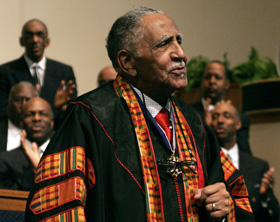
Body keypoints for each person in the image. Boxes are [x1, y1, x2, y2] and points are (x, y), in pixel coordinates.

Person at [25, 7, 254, 221]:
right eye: (165, 44)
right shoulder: (89, 116)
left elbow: (234, 195)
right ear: (127, 62)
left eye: (179, 41)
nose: (181, 54)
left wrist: (224, 210)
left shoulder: (192, 121)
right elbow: (53, 208)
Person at [210, 101, 279, 222]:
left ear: (238, 124)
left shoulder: (258, 166)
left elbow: (274, 217)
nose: (220, 120)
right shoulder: (205, 162)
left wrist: (265, 197)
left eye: (226, 116)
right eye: (215, 116)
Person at [0, 18, 77, 121]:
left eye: (39, 35)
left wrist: (58, 109)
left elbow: (73, 113)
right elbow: (2, 111)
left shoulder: (64, 71)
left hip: (55, 133)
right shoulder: (5, 71)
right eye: (29, 35)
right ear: (21, 41)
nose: (35, 40)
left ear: (47, 41)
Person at [191, 61, 252, 155]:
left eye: (217, 77)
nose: (212, 81)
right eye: (207, 77)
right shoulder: (188, 113)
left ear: (227, 84)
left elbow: (244, 155)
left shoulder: (240, 117)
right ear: (201, 82)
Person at [0, 97, 54, 191]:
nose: (37, 118)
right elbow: (7, 200)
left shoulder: (65, 157)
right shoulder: (5, 161)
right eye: (30, 114)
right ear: (21, 123)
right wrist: (34, 171)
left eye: (43, 114)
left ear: (52, 122)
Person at [0, 81, 38, 153]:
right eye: (18, 100)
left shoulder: (45, 133)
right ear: (9, 102)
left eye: (28, 100)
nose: (23, 104)